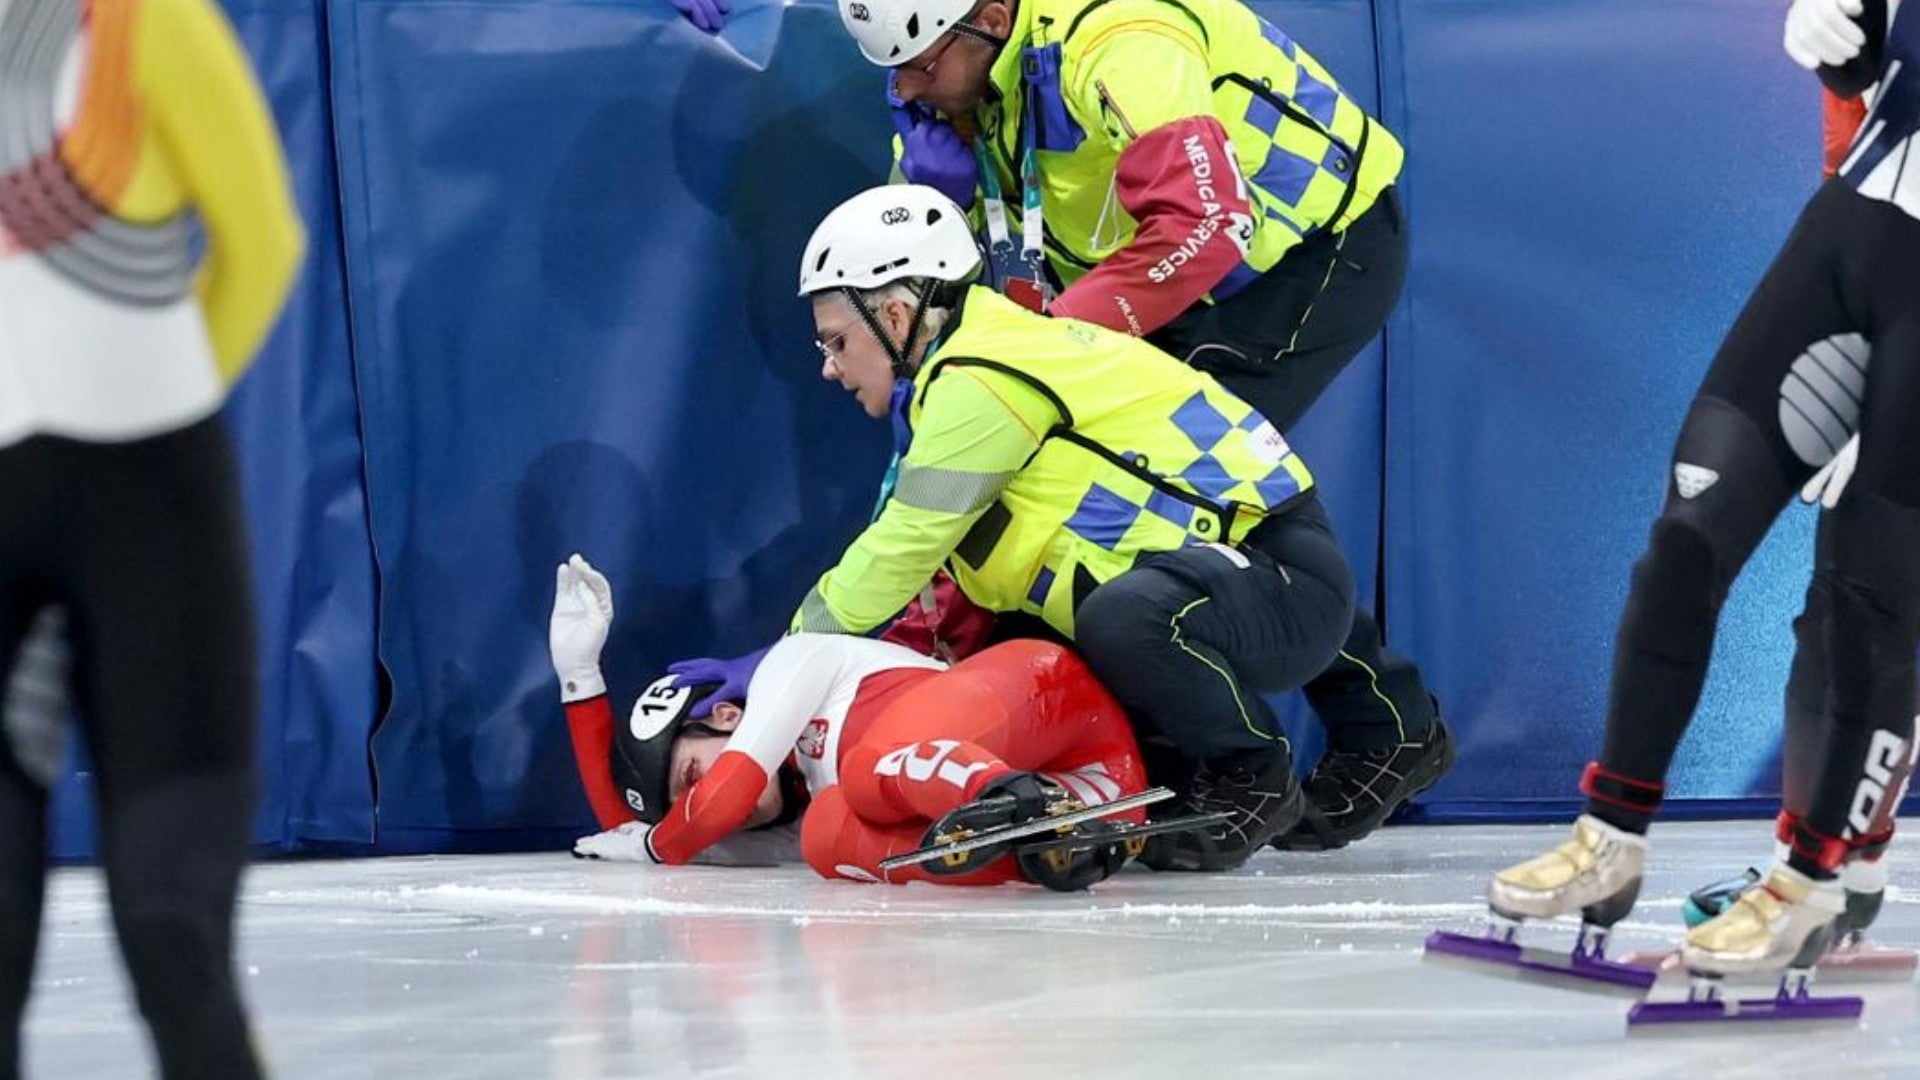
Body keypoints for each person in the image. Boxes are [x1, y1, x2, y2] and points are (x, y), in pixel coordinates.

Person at [836, 0, 1448, 852]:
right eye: (891, 71)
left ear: (991, 14)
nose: (905, 88)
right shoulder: (958, 90)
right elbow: (936, 314)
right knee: (1123, 509)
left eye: (924, 63)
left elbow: (1208, 221)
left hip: (1303, 249)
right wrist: (942, 199)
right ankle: (1198, 751)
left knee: (1186, 489)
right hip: (1170, 278)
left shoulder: (1118, 40)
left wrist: (1055, 348)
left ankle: (1383, 725)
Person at [690, 182, 1392, 873]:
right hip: (1233, 585)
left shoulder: (980, 378)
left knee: (1119, 618)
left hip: (1275, 581)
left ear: (898, 316)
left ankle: (1254, 775)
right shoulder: (984, 360)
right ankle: (1257, 758)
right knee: (1046, 644)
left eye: (836, 341)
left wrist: (785, 662)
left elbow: (904, 546)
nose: (828, 367)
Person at [1486, 0, 1920, 981]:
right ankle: (1610, 834)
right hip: (1852, 234)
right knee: (1691, 531)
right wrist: (1851, 35)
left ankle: (1811, 883)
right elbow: (1862, 67)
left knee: (1868, 597)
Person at [0, 0, 305, 1075]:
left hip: (153, 521)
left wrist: (159, 415)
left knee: (172, 930)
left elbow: (263, 241)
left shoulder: (150, 25)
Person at [549, 555, 1149, 889]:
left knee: (861, 776)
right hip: (1112, 803)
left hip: (1057, 707)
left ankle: (1009, 800)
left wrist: (655, 847)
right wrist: (579, 678)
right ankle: (1036, 848)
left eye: (691, 774)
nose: (698, 798)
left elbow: (695, 818)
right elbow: (626, 831)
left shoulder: (792, 663)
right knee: (826, 834)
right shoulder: (794, 816)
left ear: (727, 716)